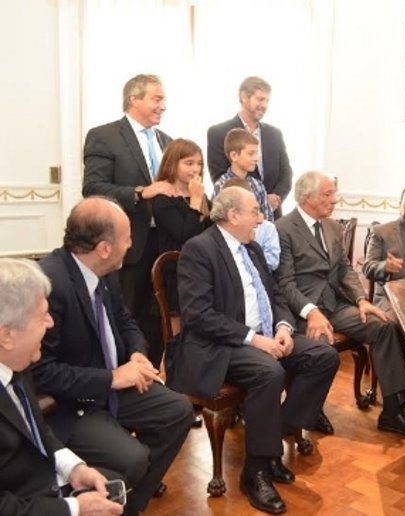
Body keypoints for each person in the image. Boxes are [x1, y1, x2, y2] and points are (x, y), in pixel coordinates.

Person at [166, 187, 339, 514]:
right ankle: (255, 472)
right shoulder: (199, 249)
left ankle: (271, 441)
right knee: (268, 371)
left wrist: (284, 327)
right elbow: (198, 315)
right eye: (255, 212)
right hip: (219, 344)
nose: (261, 219)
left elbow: (275, 295)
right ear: (233, 216)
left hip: (265, 334)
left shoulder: (253, 248)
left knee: (323, 356)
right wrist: (253, 339)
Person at [31, 197, 193, 516]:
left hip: (111, 384)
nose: (131, 244)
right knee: (133, 459)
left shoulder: (103, 270)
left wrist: (136, 354)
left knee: (178, 410)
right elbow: (42, 374)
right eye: (127, 238)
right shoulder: (50, 284)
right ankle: (122, 490)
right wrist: (112, 378)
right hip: (70, 403)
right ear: (104, 248)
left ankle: (129, 502)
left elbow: (124, 319)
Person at [275, 171, 405, 441]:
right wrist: (311, 312)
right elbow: (285, 284)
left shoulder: (332, 226)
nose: (335, 200)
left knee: (384, 326)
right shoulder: (283, 229)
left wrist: (361, 300)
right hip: (303, 310)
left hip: (335, 304)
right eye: (328, 194)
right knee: (322, 351)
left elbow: (345, 268)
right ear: (307, 197)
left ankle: (393, 413)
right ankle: (306, 412)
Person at [0, 258, 123, 516]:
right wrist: (74, 508)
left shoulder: (16, 365)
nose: (51, 323)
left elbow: (36, 431)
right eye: (41, 316)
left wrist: (74, 469)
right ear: (7, 336)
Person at [83, 73, 175, 369]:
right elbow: (93, 187)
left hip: (164, 246)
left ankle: (150, 375)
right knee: (126, 318)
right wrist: (140, 192)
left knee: (158, 320)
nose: (163, 106)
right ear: (134, 99)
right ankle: (122, 379)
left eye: (163, 99)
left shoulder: (167, 142)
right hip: (127, 246)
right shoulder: (104, 136)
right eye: (157, 99)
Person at [207, 76, 292, 219]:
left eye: (267, 100)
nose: (264, 105)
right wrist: (258, 200)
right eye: (260, 99)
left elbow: (286, 174)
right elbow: (219, 175)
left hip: (272, 216)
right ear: (244, 97)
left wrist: (274, 199)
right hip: (237, 217)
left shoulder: (275, 134)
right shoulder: (218, 132)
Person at [151, 139, 211, 311]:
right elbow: (186, 236)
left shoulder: (202, 197)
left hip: (201, 270)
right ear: (172, 163)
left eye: (199, 164)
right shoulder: (163, 199)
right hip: (175, 273)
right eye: (189, 163)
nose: (196, 169)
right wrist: (196, 200)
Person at [213, 128, 281, 270]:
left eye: (257, 153)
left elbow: (267, 219)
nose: (256, 158)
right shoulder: (221, 185)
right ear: (234, 155)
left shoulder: (258, 185)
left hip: (259, 248)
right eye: (251, 153)